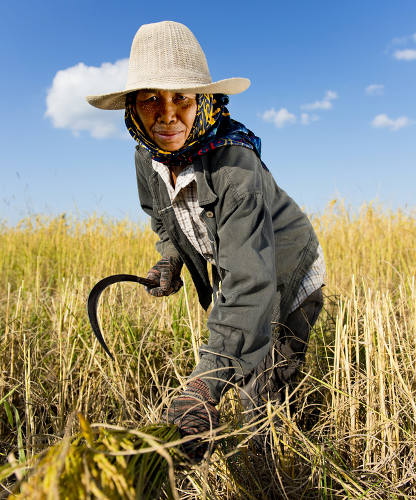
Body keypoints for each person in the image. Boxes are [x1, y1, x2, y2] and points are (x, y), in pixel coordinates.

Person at [86, 20, 325, 461]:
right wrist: (169, 260)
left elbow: (251, 281)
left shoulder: (236, 169)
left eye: (183, 98)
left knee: (263, 380)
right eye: (151, 99)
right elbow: (164, 218)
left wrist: (202, 384)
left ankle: (273, 466)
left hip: (285, 266)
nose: (168, 114)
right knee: (239, 361)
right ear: (133, 111)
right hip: (238, 260)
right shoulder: (148, 158)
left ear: (206, 103)